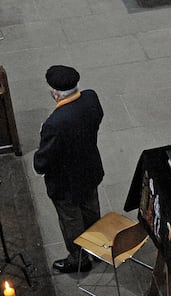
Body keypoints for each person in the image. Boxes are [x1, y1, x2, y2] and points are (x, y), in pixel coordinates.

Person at [33, 65, 104, 273]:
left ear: (55, 94)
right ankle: (98, 247)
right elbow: (96, 119)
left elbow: (43, 161)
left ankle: (79, 259)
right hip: (90, 169)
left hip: (66, 183)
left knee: (71, 219)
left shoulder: (55, 123)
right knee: (91, 209)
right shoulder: (91, 98)